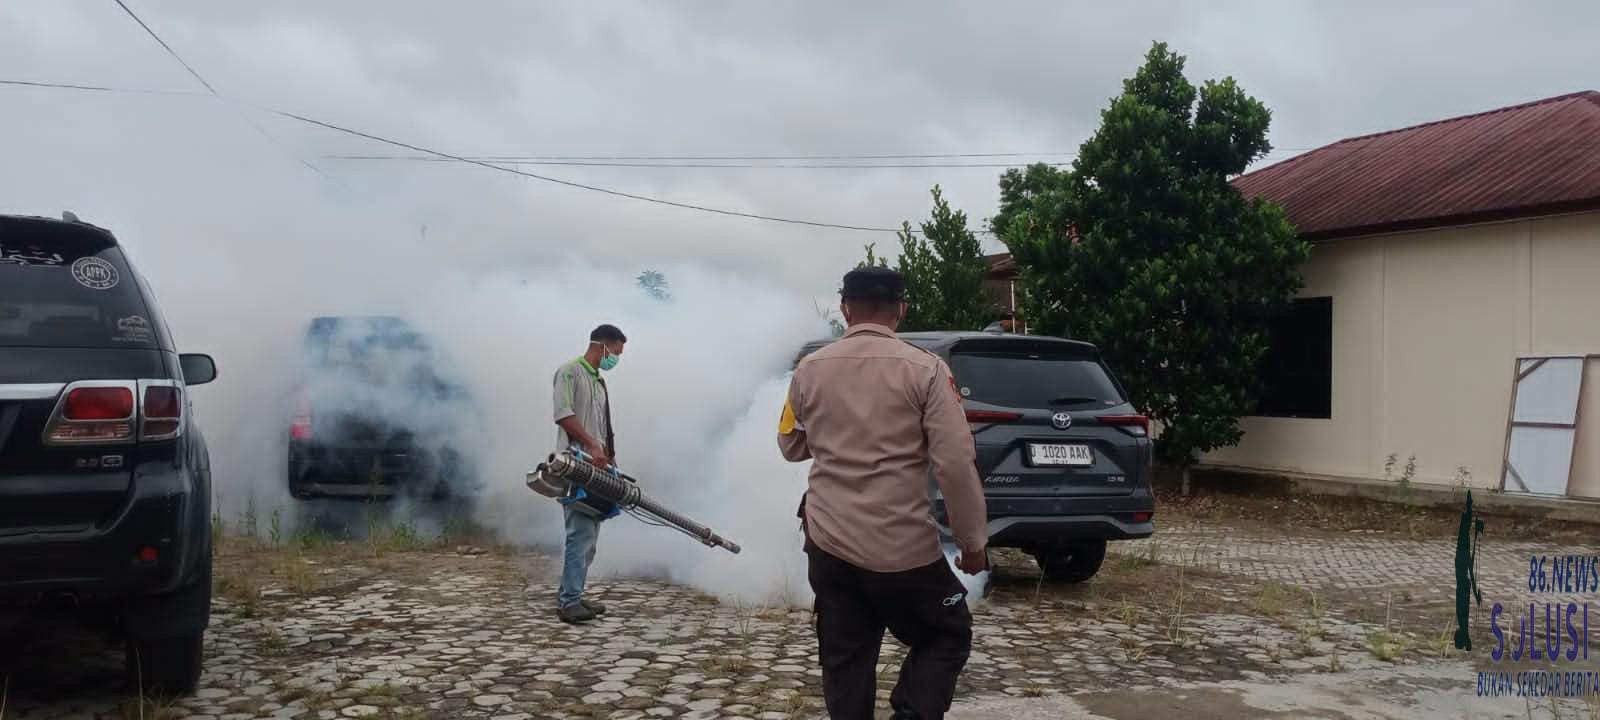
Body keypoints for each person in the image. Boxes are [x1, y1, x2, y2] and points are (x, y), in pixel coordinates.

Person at [778, 267, 988, 720]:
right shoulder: (928, 370)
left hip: (828, 541)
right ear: (901, 311)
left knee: (846, 658)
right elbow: (953, 464)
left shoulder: (808, 370)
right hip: (901, 545)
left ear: (844, 308)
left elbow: (790, 446)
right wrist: (972, 545)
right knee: (947, 631)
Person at [551, 323, 627, 625]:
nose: (616, 358)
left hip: (598, 466)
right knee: (579, 534)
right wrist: (591, 444)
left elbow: (604, 426)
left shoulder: (598, 381)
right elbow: (564, 414)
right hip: (576, 463)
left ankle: (574, 593)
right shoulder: (570, 372)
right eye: (617, 351)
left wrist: (609, 456)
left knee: (590, 536)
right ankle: (568, 603)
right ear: (602, 345)